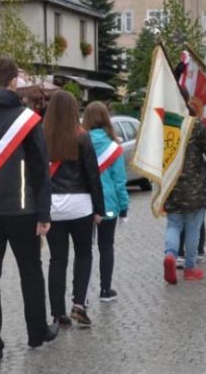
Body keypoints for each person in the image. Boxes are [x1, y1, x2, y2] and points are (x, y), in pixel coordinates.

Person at [0, 57, 58, 364]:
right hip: (23, 210)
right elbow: (40, 170)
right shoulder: (27, 119)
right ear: (12, 82)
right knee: (31, 272)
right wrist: (44, 214)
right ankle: (37, 332)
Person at [44, 91, 104, 328]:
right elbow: (93, 176)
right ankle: (79, 304)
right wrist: (99, 209)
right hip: (81, 206)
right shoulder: (82, 137)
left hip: (53, 207)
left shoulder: (42, 136)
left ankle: (58, 312)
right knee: (84, 254)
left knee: (57, 259)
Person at [163, 106, 206, 284]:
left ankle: (170, 255)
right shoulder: (195, 125)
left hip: (171, 184)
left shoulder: (164, 125)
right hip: (194, 186)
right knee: (193, 227)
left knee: (173, 224)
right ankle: (190, 267)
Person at [82, 101, 129, 303]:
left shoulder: (79, 143)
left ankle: (80, 295)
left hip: (85, 205)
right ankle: (105, 289)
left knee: (84, 250)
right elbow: (120, 182)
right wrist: (124, 207)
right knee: (106, 246)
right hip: (109, 205)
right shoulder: (113, 148)